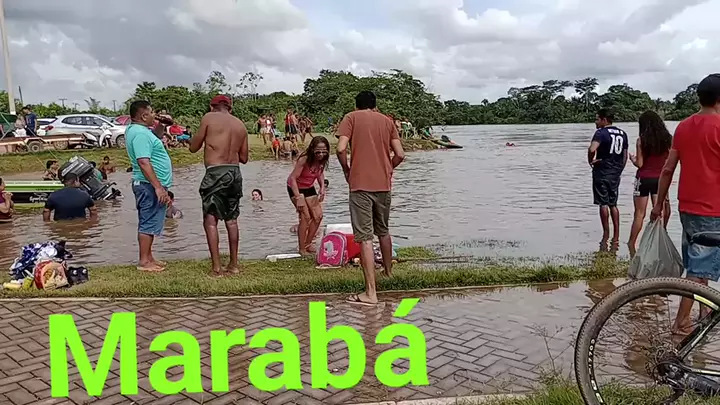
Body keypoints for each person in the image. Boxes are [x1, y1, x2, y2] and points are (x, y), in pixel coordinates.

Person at [652, 74, 720, 335]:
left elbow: (668, 169)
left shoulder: (683, 126)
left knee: (697, 263)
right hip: (713, 210)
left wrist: (658, 204)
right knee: (698, 269)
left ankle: (704, 313)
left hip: (687, 207)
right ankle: (681, 322)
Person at [336, 91, 405, 305]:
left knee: (365, 237)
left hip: (360, 185)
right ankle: (388, 272)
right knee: (383, 230)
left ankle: (370, 292)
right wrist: (388, 168)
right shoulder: (387, 121)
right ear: (375, 106)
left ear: (356, 105)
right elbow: (400, 154)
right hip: (383, 184)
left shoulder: (351, 118)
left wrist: (347, 169)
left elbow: (340, 148)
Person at [189, 95, 248, 276]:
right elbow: (244, 158)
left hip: (215, 172)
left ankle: (216, 267)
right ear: (230, 108)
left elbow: (193, 147)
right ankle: (234, 265)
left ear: (211, 106)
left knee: (210, 219)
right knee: (232, 219)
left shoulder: (208, 118)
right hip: (234, 172)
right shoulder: (240, 125)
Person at [126, 100, 173, 272]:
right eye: (152, 112)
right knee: (147, 221)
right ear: (144, 116)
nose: (154, 114)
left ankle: (149, 257)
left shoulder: (140, 131)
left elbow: (156, 137)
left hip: (149, 184)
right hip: (148, 185)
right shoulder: (140, 134)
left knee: (152, 220)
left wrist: (162, 125)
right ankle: (144, 261)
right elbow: (143, 162)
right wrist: (158, 187)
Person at [627, 110, 672, 257]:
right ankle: (657, 241)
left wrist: (632, 159)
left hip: (643, 179)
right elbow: (669, 161)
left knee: (639, 214)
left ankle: (631, 244)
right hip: (660, 180)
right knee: (659, 212)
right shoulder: (668, 139)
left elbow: (640, 164)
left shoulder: (641, 140)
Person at [588, 109, 628, 250]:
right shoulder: (623, 133)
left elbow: (592, 149)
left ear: (604, 120)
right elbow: (625, 155)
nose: (595, 122)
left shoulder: (601, 133)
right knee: (613, 203)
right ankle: (616, 234)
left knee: (603, 203)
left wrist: (590, 160)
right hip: (615, 172)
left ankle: (606, 233)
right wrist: (619, 170)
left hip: (602, 171)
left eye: (597, 119)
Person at [288, 136, 329, 255]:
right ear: (312, 149)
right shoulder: (304, 159)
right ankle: (302, 248)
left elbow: (320, 173)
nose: (320, 154)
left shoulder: (322, 159)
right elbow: (293, 178)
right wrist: (298, 197)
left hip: (309, 187)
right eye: (318, 152)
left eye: (324, 152)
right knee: (305, 217)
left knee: (318, 216)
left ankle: (308, 243)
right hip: (295, 187)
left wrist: (322, 187)